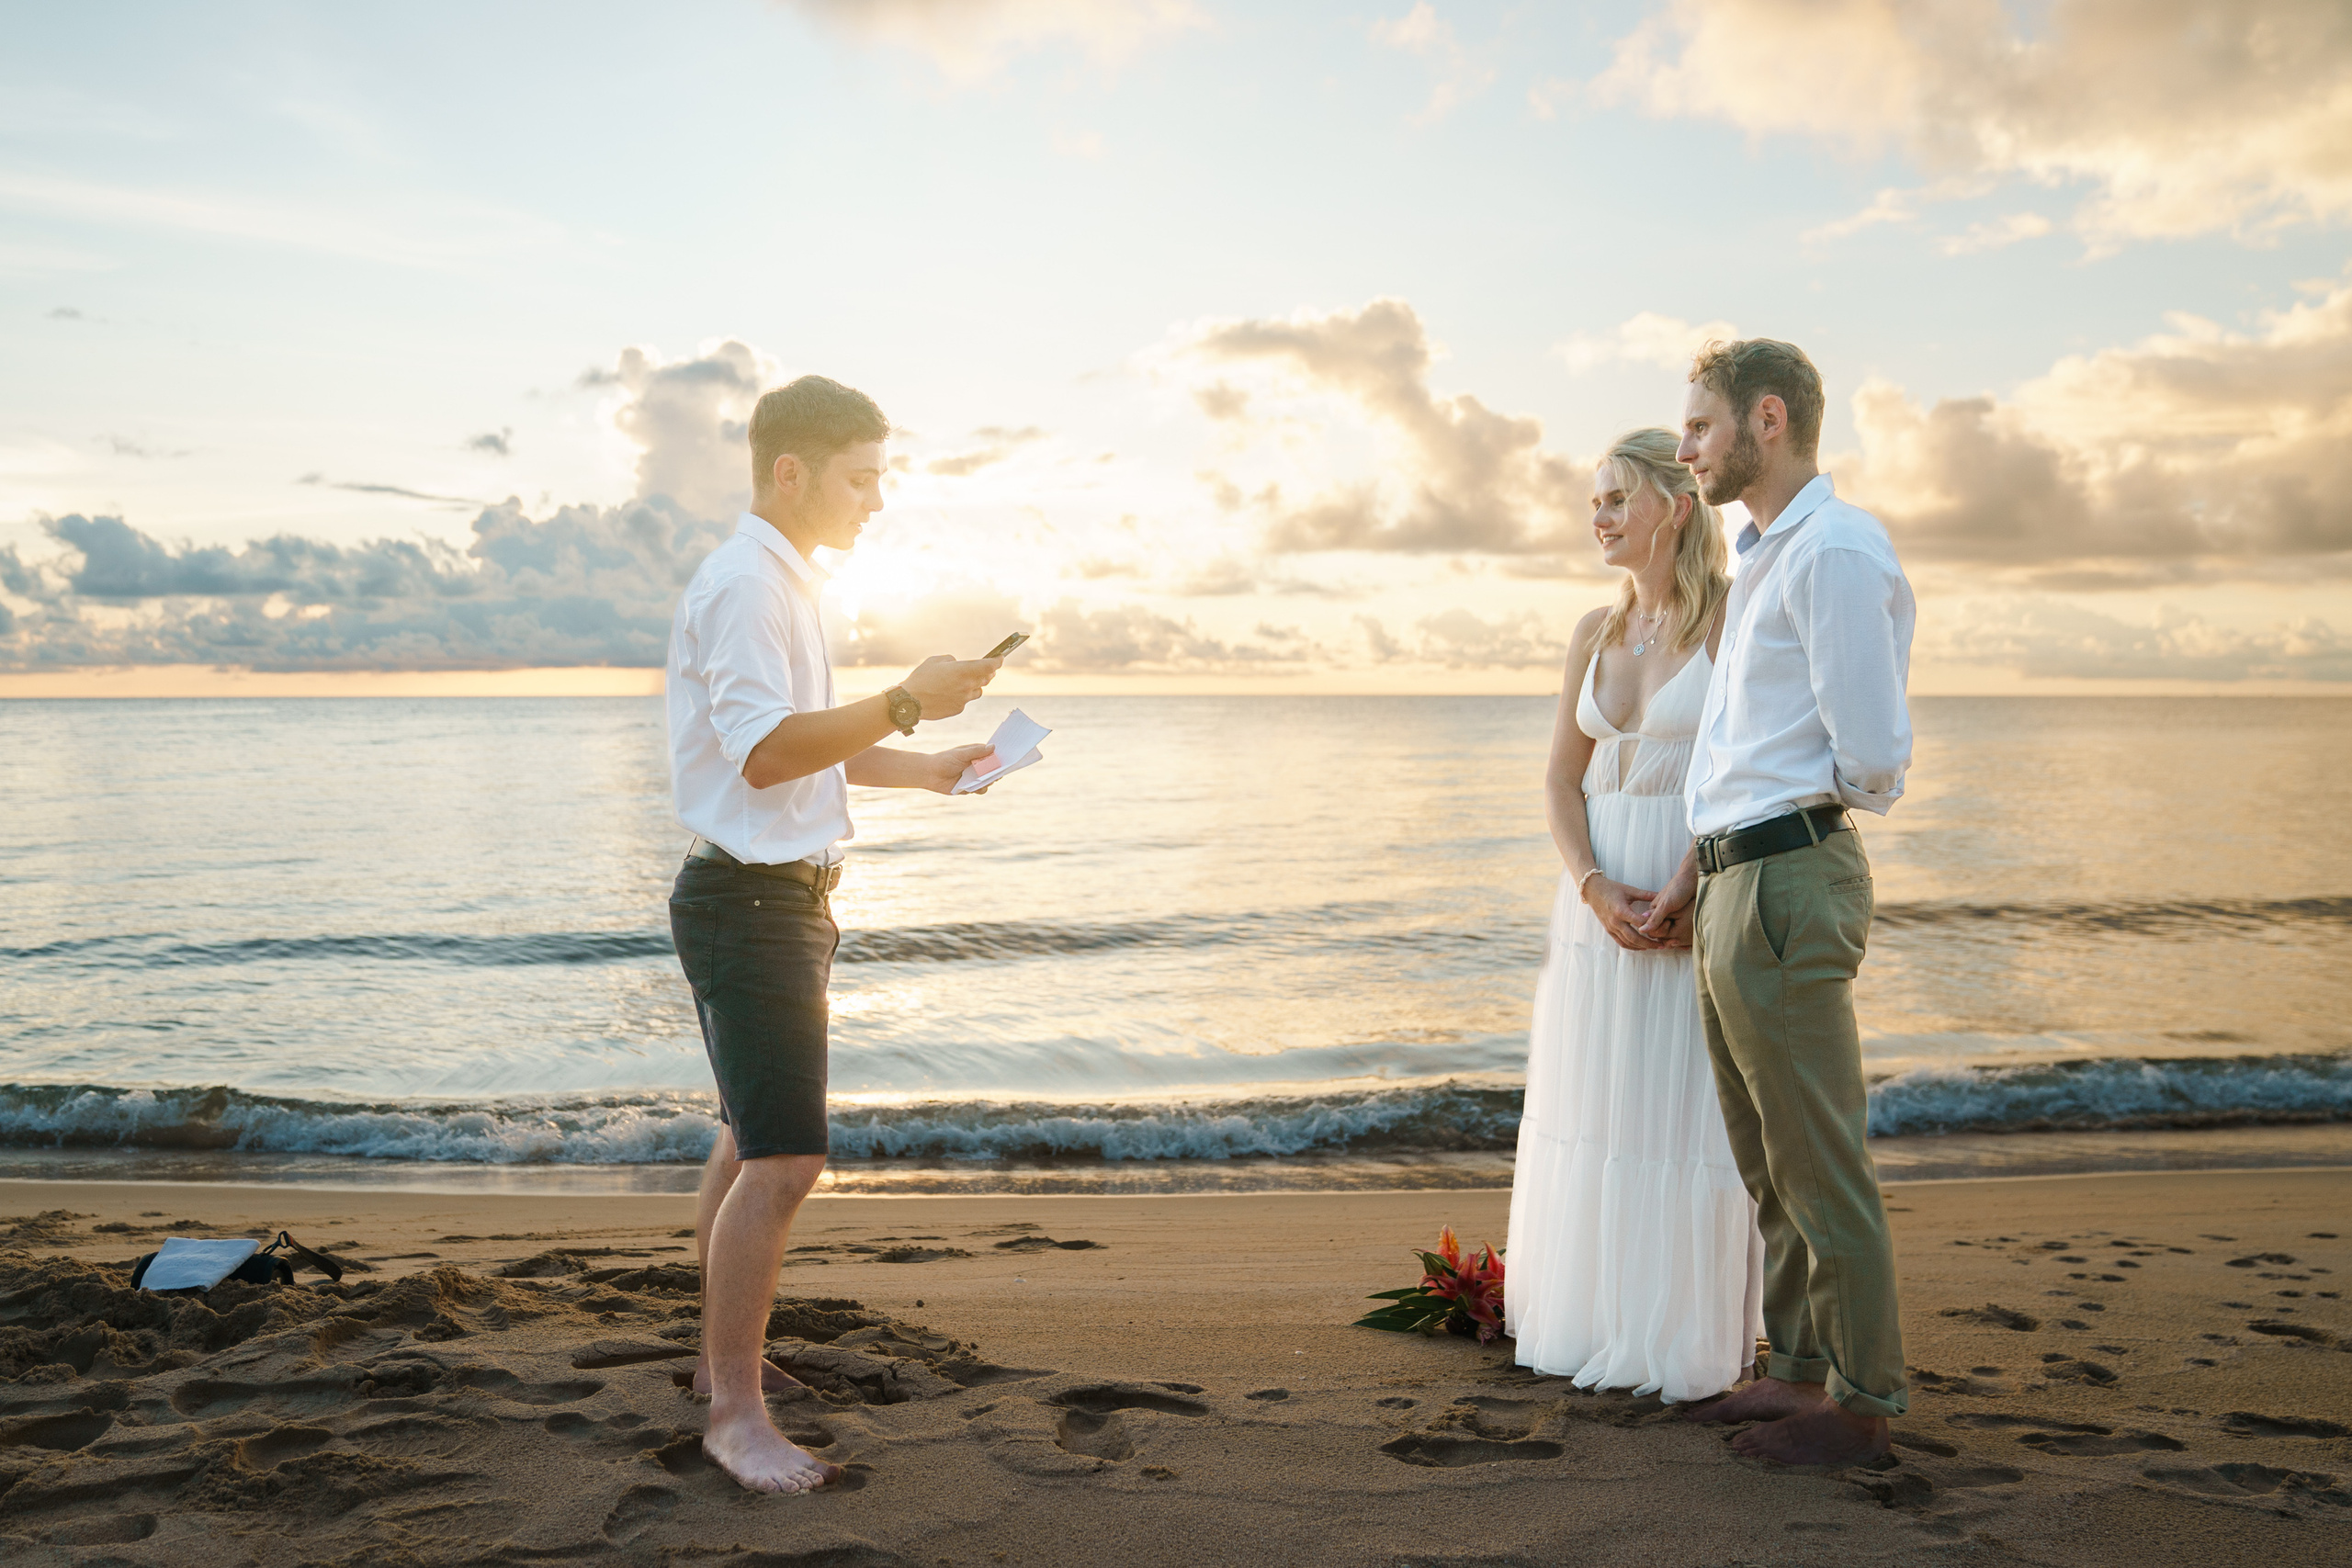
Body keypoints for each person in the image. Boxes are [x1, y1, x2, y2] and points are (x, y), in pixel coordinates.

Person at [663, 374, 1004, 1495]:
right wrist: (905, 699)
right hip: (748, 902)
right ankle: (734, 1414)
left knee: (743, 1135)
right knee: (786, 1157)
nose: (877, 501)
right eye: (862, 479)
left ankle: (719, 1367)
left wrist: (922, 761)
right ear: (791, 471)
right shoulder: (745, 587)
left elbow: (805, 742)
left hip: (785, 898)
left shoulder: (791, 586)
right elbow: (763, 755)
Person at [1640, 339, 1917, 1465]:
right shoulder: (1762, 553)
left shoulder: (1835, 551)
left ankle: (1861, 1405)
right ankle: (1800, 1371)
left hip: (1787, 872)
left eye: (1697, 426)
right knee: (1767, 1156)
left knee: (1818, 1157)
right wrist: (1706, 859)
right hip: (1733, 876)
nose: (1683, 446)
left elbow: (1873, 757)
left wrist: (1787, 824)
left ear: (1765, 418)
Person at [1504, 427, 1763, 1403]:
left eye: (1617, 498)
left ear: (1677, 504)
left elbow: (1751, 771)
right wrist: (1589, 884)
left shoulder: (1735, 621)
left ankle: (1683, 1340)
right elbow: (1561, 781)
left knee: (1684, 1115)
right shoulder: (1592, 633)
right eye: (1593, 501)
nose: (1599, 516)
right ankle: (1597, 1320)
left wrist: (1694, 874)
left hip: (1692, 889)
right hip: (1598, 904)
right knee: (1597, 1108)